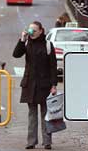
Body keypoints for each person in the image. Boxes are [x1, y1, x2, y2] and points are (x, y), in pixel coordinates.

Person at [13, 21, 58, 150]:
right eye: (30, 29)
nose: (31, 32)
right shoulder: (27, 43)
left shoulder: (48, 45)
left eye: (34, 30)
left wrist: (54, 85)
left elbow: (53, 66)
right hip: (29, 84)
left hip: (44, 84)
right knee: (32, 115)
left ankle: (47, 141)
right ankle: (31, 142)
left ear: (40, 31)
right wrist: (22, 40)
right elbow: (16, 54)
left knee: (45, 114)